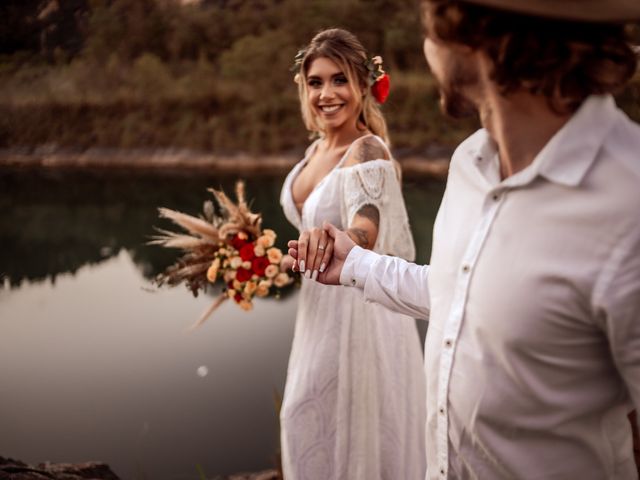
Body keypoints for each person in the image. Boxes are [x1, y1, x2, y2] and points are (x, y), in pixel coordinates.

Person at [288, 1, 640, 478]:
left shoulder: (628, 204)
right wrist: (355, 264)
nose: (425, 43)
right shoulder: (469, 163)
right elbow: (456, 294)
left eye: (430, 23)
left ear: (472, 37)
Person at [278, 28, 426, 480]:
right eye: (316, 81)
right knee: (306, 421)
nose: (327, 93)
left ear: (363, 85)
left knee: (352, 434)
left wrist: (342, 240)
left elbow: (365, 226)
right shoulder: (314, 152)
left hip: (359, 321)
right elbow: (304, 231)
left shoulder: (366, 149)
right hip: (317, 316)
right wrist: (275, 259)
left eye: (339, 80)